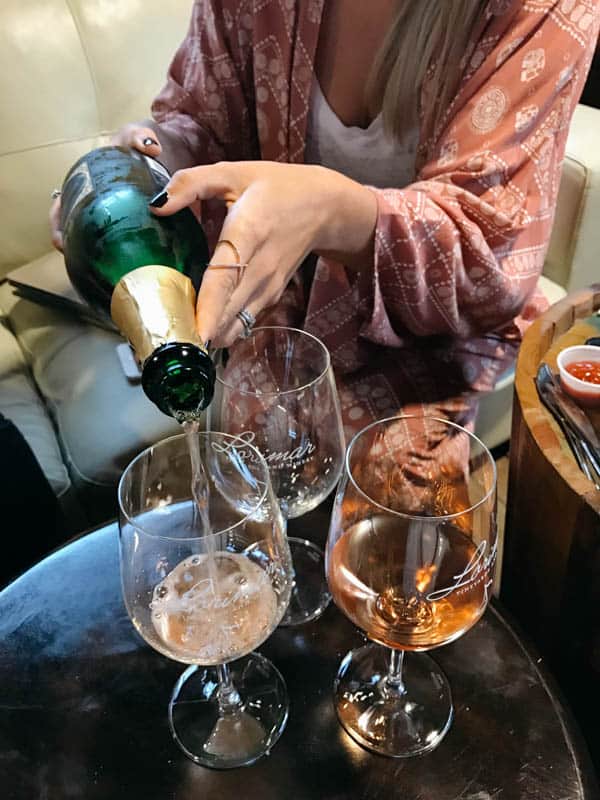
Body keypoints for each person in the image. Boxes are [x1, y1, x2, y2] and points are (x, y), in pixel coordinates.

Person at [50, 0, 600, 449]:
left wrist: (332, 210)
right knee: (249, 507)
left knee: (391, 541)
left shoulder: (539, 10)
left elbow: (487, 254)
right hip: (278, 310)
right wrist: (158, 159)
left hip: (436, 341)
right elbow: (200, 120)